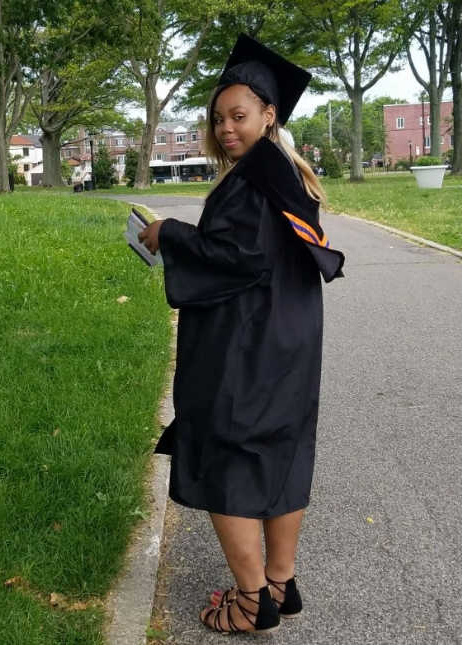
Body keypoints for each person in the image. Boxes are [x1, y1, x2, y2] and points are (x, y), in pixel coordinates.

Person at [138, 34, 344, 635]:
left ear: (269, 115)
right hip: (290, 342)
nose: (227, 127)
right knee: (282, 450)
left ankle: (254, 602)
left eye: (240, 115)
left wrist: (168, 235)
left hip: (245, 347)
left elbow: (239, 256)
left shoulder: (254, 179)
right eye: (219, 118)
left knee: (227, 452)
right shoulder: (285, 174)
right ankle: (280, 580)